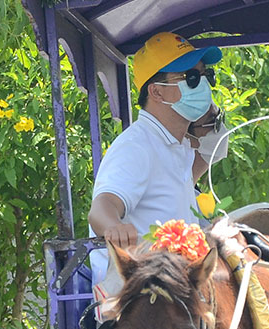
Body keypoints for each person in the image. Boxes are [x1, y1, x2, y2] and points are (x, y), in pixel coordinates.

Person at [87, 32, 229, 301]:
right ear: (156, 91)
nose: (202, 87)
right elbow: (101, 207)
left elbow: (209, 154)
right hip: (147, 296)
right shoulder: (137, 146)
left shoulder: (176, 146)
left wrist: (211, 122)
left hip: (178, 286)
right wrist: (113, 227)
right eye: (191, 78)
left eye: (205, 76)